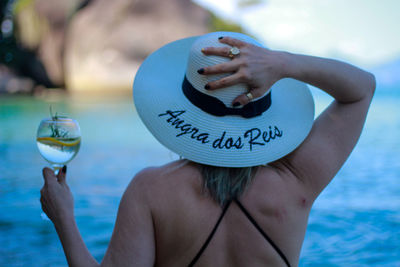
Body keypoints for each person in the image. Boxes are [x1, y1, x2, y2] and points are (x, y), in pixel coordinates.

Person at [40, 32, 375, 267]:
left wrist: (63, 218)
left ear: (182, 107)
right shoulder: (296, 180)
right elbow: (361, 88)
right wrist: (283, 63)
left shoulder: (150, 191)